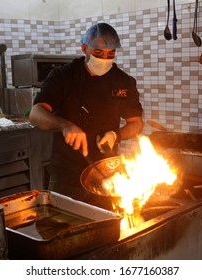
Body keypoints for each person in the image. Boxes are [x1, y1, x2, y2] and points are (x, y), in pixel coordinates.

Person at [29, 22, 144, 208]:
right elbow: (36, 114)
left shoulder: (124, 82)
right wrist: (65, 125)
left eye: (111, 54)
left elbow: (137, 124)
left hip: (106, 175)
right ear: (84, 49)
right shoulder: (64, 76)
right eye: (98, 53)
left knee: (108, 230)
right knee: (62, 228)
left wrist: (116, 135)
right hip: (66, 177)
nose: (105, 59)